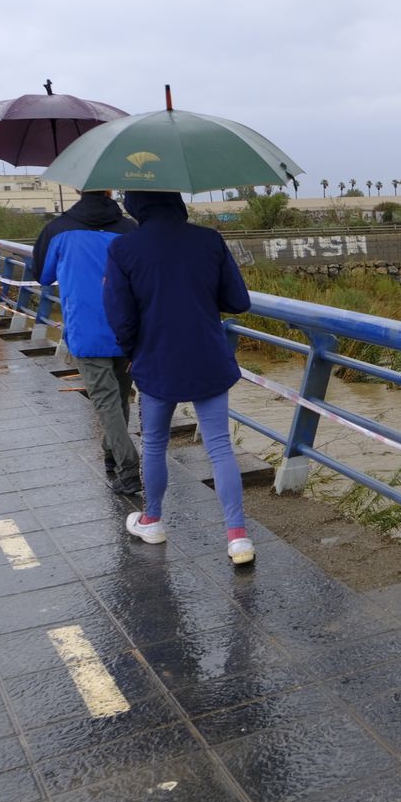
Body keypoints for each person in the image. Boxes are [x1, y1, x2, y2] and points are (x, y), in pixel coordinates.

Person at [103, 190, 255, 565]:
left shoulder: (123, 248)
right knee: (219, 447)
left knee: (155, 443)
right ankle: (238, 538)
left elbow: (120, 315)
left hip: (156, 359)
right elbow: (238, 301)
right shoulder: (209, 240)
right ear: (176, 200)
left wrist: (132, 352)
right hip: (208, 357)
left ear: (135, 205)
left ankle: (152, 520)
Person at [30, 190, 141, 494]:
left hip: (85, 328)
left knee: (105, 400)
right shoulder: (131, 229)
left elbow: (42, 275)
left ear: (79, 189)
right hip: (127, 327)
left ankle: (129, 467)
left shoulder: (58, 229)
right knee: (119, 397)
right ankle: (112, 453)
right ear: (110, 191)